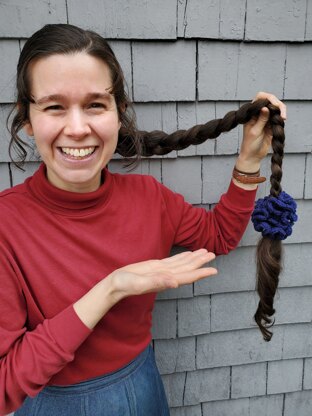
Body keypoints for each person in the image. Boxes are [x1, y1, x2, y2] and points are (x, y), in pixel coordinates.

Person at [0, 24, 286, 416]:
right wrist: (112, 288)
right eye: (54, 106)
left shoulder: (150, 199)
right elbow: (5, 385)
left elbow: (218, 235)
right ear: (27, 118)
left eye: (96, 104)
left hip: (142, 387)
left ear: (119, 113)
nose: (78, 127)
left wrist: (250, 159)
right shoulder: (6, 224)